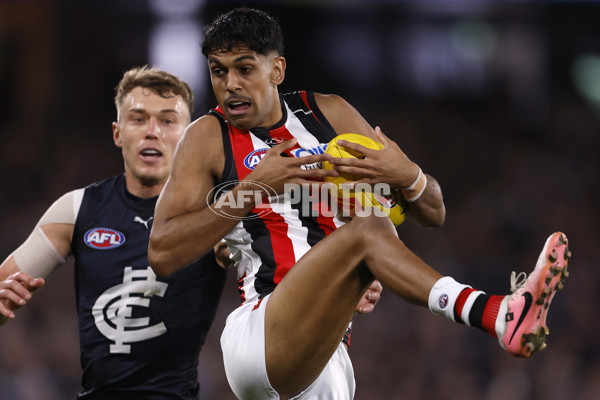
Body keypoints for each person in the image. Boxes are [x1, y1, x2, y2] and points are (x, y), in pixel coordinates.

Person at [148, 8, 571, 400]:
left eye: (244, 69)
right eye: (218, 72)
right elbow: (162, 252)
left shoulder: (327, 114)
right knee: (370, 230)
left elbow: (434, 212)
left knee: (369, 232)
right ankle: (497, 314)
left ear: (277, 69)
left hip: (328, 351)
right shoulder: (208, 136)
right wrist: (252, 191)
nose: (230, 85)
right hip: (261, 334)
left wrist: (409, 177)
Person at [0, 66, 229, 399]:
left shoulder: (217, 214)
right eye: (138, 119)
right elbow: (4, 290)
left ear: (188, 136)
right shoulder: (76, 210)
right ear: (117, 133)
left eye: (167, 121)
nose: (152, 132)